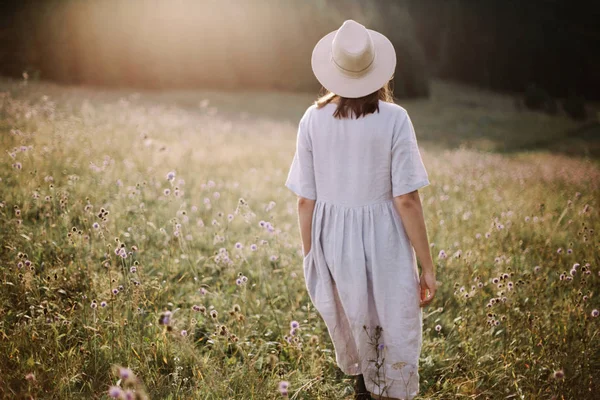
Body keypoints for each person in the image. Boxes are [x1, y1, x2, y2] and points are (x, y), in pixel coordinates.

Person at [285, 20, 438, 400]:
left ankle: (363, 385)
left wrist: (310, 254)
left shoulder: (312, 119)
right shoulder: (395, 119)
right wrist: (427, 264)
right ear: (377, 70)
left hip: (332, 237)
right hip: (384, 236)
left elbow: (305, 199)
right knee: (392, 315)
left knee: (354, 315)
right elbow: (406, 199)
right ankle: (388, 389)